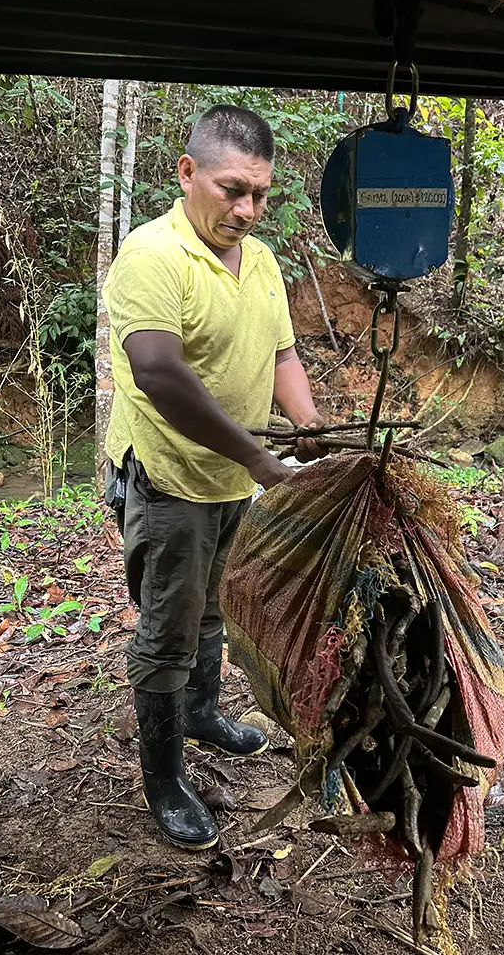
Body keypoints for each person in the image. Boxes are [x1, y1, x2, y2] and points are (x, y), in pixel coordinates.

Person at [103, 104, 324, 851]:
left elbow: (284, 355)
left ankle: (202, 713)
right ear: (187, 172)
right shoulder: (151, 256)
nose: (248, 210)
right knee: (168, 627)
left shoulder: (258, 259)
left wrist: (309, 427)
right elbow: (160, 373)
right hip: (173, 479)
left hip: (236, 478)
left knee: (214, 607)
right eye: (233, 190)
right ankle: (162, 776)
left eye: (260, 195)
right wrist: (260, 459)